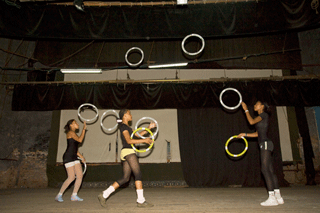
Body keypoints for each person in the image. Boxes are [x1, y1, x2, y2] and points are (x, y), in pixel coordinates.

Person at [98, 109, 156, 208]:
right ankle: (141, 201)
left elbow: (137, 135)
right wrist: (144, 141)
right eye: (129, 113)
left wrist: (148, 128)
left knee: (125, 178)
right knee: (138, 174)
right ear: (124, 115)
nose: (131, 115)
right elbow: (129, 141)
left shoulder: (127, 127)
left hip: (127, 152)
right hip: (128, 152)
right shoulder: (123, 127)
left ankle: (104, 194)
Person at [237, 101, 284, 206]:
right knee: (270, 170)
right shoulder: (262, 118)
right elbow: (258, 134)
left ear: (262, 106)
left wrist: (245, 109)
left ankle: (272, 198)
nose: (254, 105)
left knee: (265, 169)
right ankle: (278, 197)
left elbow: (251, 122)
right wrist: (245, 134)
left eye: (257, 104)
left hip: (266, 144)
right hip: (267, 143)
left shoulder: (263, 114)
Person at [55, 119, 87, 202]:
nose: (77, 124)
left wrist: (82, 157)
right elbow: (80, 140)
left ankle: (74, 195)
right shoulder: (71, 133)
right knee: (71, 177)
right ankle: (59, 195)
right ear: (71, 125)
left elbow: (75, 149)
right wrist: (84, 129)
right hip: (68, 157)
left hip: (74, 156)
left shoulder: (74, 134)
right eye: (75, 123)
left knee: (80, 176)